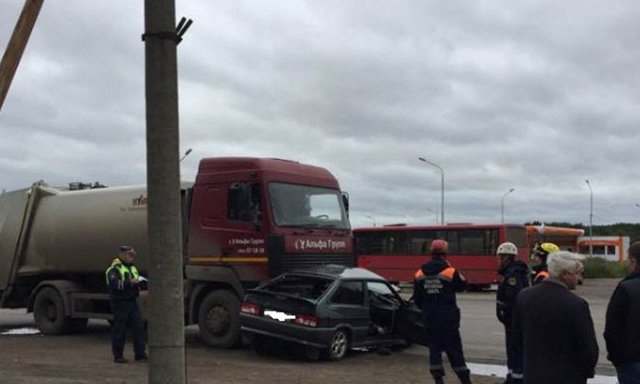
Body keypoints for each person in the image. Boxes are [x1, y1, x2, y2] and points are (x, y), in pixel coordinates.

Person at [513, 251, 598, 384]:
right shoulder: (576, 305)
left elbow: (517, 336)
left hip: (533, 375)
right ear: (564, 274)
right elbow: (588, 349)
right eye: (577, 273)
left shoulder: (524, 297)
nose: (579, 278)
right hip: (568, 376)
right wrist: (586, 372)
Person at [413, 239, 473, 384]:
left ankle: (438, 380)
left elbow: (417, 300)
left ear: (431, 253)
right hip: (448, 319)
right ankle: (465, 380)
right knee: (454, 350)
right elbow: (463, 286)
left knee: (434, 349)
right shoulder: (450, 271)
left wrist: (427, 309)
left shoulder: (419, 273)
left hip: (429, 319)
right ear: (445, 254)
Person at [604, 241, 640, 383]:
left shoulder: (626, 288)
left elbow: (612, 329)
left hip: (631, 362)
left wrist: (617, 358)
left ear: (633, 261)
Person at [105, 245, 147, 363]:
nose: (132, 257)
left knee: (138, 327)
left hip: (132, 301)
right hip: (119, 302)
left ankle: (140, 354)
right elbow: (114, 286)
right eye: (129, 255)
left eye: (133, 255)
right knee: (120, 329)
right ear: (121, 255)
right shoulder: (113, 270)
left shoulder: (132, 268)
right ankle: (118, 356)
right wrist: (130, 282)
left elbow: (138, 281)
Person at [495, 242, 529, 384]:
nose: (498, 260)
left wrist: (506, 311)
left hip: (514, 320)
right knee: (512, 350)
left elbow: (514, 298)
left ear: (506, 258)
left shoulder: (512, 274)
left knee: (516, 351)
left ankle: (517, 379)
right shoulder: (509, 272)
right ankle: (511, 376)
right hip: (510, 320)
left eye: (500, 257)